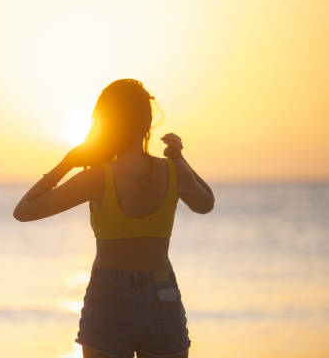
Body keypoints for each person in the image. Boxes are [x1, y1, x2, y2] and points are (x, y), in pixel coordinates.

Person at [13, 79, 214, 358]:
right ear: (147, 123)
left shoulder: (97, 177)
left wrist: (66, 164)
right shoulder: (174, 172)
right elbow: (206, 203)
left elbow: (23, 211)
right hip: (162, 293)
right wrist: (181, 159)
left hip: (109, 297)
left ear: (107, 124)